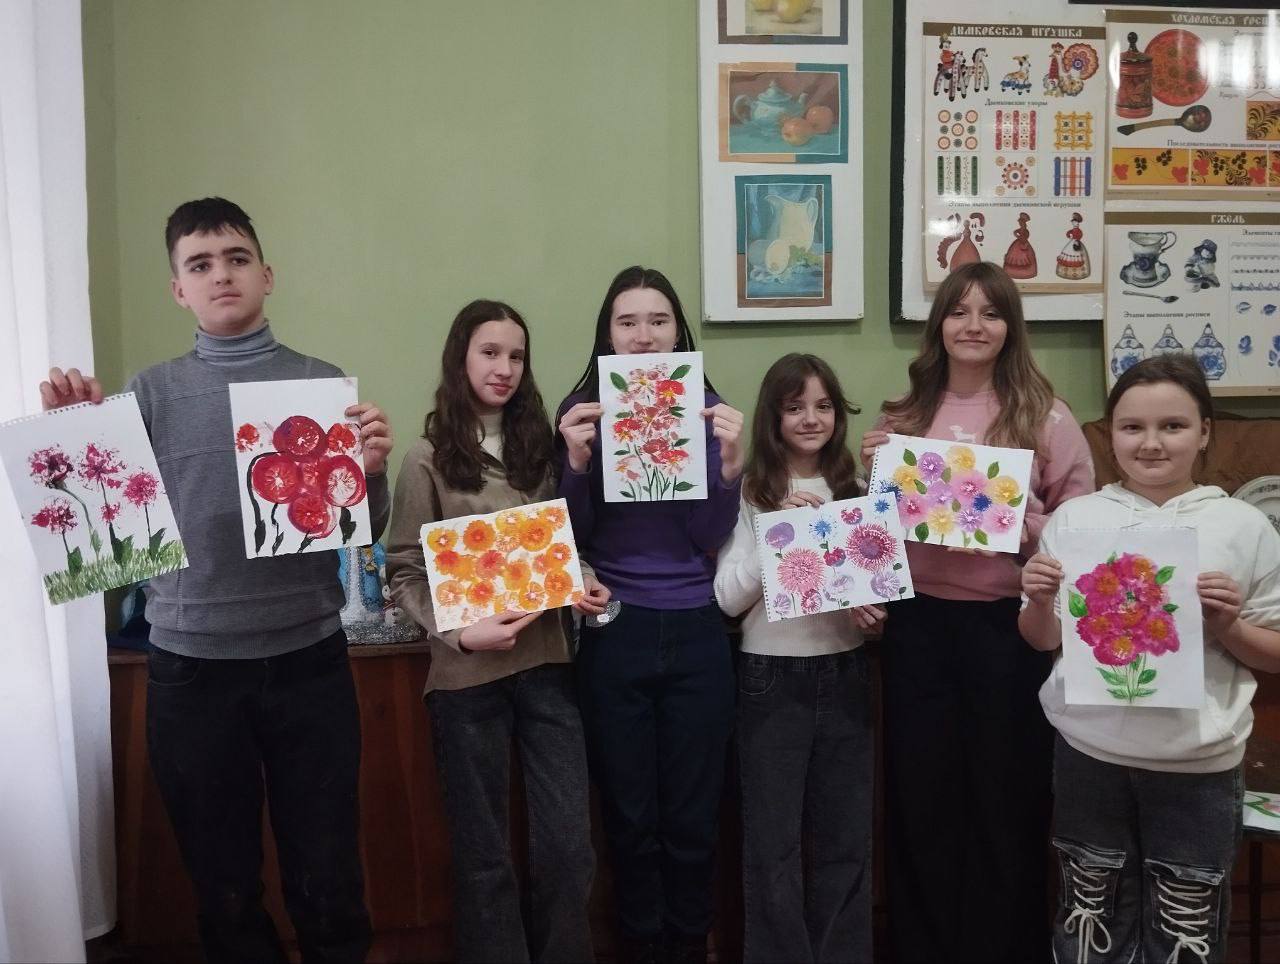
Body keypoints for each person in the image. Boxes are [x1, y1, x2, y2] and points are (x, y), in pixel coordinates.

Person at [40, 197, 392, 963]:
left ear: (267, 274)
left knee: (329, 879)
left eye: (236, 258)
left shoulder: (320, 384)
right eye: (200, 264)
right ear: (179, 289)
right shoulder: (149, 393)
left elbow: (358, 528)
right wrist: (74, 442)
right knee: (224, 890)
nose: (221, 274)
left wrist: (369, 474)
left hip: (309, 664)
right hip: (191, 673)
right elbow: (109, 550)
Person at [860, 260, 1094, 963]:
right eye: (959, 311)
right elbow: (874, 536)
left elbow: (1085, 535)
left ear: (1009, 327)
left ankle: (1004, 948)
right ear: (939, 325)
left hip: (1008, 631)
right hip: (917, 627)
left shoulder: (1047, 416)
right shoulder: (902, 417)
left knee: (1005, 800)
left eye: (990, 312)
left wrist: (1012, 519)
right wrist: (875, 480)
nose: (973, 325)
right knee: (920, 799)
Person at [1021, 353, 1280, 964]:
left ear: (1204, 432)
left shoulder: (1243, 525)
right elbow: (1040, 638)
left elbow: (1273, 652)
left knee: (1185, 925)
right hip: (1089, 756)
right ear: (1111, 435)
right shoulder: (1077, 519)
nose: (1152, 443)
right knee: (1090, 917)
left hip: (1198, 765)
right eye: (1132, 427)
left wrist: (1228, 624)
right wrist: (1039, 599)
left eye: (1173, 426)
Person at [384, 299, 608, 962]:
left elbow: (559, 547)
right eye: (490, 352)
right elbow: (404, 571)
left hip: (548, 671)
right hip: (466, 683)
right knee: (484, 862)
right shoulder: (425, 459)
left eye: (516, 356)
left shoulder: (540, 453)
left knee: (568, 848)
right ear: (460, 358)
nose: (504, 368)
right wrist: (459, 633)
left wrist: (584, 580)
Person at [555, 266, 743, 964]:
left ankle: (689, 946)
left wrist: (729, 468)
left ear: (678, 331)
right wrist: (577, 463)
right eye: (627, 322)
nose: (643, 336)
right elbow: (572, 537)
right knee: (629, 819)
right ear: (607, 335)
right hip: (616, 628)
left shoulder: (709, 410)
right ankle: (640, 946)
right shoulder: (581, 410)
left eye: (658, 320)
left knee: (693, 819)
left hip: (696, 627)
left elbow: (707, 536)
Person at [713, 353, 883, 963]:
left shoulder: (856, 490)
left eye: (823, 406)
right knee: (772, 843)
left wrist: (873, 612)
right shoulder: (750, 492)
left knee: (846, 839)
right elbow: (727, 598)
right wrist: (775, 539)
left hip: (846, 671)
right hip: (770, 677)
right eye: (795, 407)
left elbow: (873, 594)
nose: (811, 419)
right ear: (773, 417)